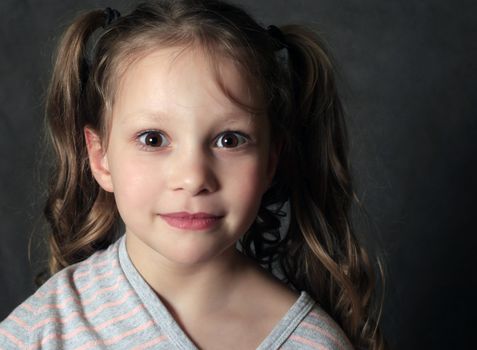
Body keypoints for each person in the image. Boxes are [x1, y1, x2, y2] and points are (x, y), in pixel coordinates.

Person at [0, 0, 388, 349]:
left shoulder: (314, 345)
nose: (193, 177)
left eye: (229, 139)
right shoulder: (42, 331)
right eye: (153, 139)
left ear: (271, 160)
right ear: (101, 158)